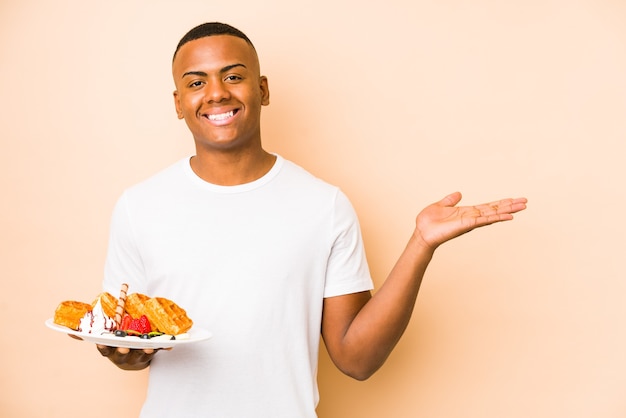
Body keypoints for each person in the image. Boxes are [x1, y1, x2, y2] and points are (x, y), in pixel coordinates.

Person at [96, 22, 527, 417]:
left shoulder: (325, 205)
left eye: (233, 76)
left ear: (262, 89)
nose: (216, 93)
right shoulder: (139, 206)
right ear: (178, 103)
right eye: (196, 82)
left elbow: (356, 360)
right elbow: (130, 336)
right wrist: (126, 353)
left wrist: (421, 244)